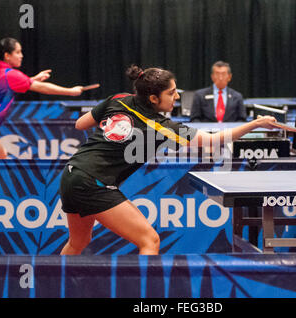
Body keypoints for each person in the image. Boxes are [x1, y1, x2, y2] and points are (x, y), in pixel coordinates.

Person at [59, 65, 277, 255]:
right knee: (149, 240)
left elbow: (80, 124)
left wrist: (115, 131)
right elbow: (214, 141)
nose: (178, 97)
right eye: (172, 93)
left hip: (71, 173)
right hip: (94, 183)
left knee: (78, 242)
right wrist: (255, 124)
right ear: (154, 98)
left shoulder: (118, 99)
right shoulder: (160, 126)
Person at [0, 37, 84, 159]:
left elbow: (12, 84)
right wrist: (70, 91)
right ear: (7, 55)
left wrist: (33, 79)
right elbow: (43, 88)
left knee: (2, 156)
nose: (21, 56)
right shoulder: (9, 74)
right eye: (17, 52)